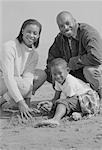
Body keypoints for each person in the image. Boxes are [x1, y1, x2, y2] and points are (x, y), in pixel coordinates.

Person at [45, 11, 102, 105]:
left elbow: (96, 57)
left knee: (89, 71)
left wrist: (73, 62)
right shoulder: (60, 38)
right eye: (61, 26)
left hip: (95, 68)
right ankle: (76, 99)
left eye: (67, 23)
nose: (65, 28)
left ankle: (100, 96)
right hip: (76, 71)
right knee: (52, 72)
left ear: (74, 21)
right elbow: (52, 59)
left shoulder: (88, 33)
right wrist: (56, 72)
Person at [0, 19, 46, 119]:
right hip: (3, 80)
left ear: (38, 36)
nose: (31, 35)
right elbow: (8, 76)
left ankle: (8, 101)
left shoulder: (34, 54)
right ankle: (4, 101)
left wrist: (27, 104)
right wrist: (21, 103)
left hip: (16, 81)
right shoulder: (9, 46)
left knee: (41, 75)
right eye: (28, 32)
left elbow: (28, 78)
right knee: (20, 84)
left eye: (35, 33)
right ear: (22, 31)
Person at [37, 58, 100, 126]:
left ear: (67, 70)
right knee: (58, 104)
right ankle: (79, 113)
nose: (58, 76)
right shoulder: (58, 81)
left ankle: (56, 119)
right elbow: (56, 97)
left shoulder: (69, 81)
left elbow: (69, 100)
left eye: (60, 73)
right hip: (78, 100)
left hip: (88, 99)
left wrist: (57, 104)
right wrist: (50, 103)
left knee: (62, 103)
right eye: (54, 74)